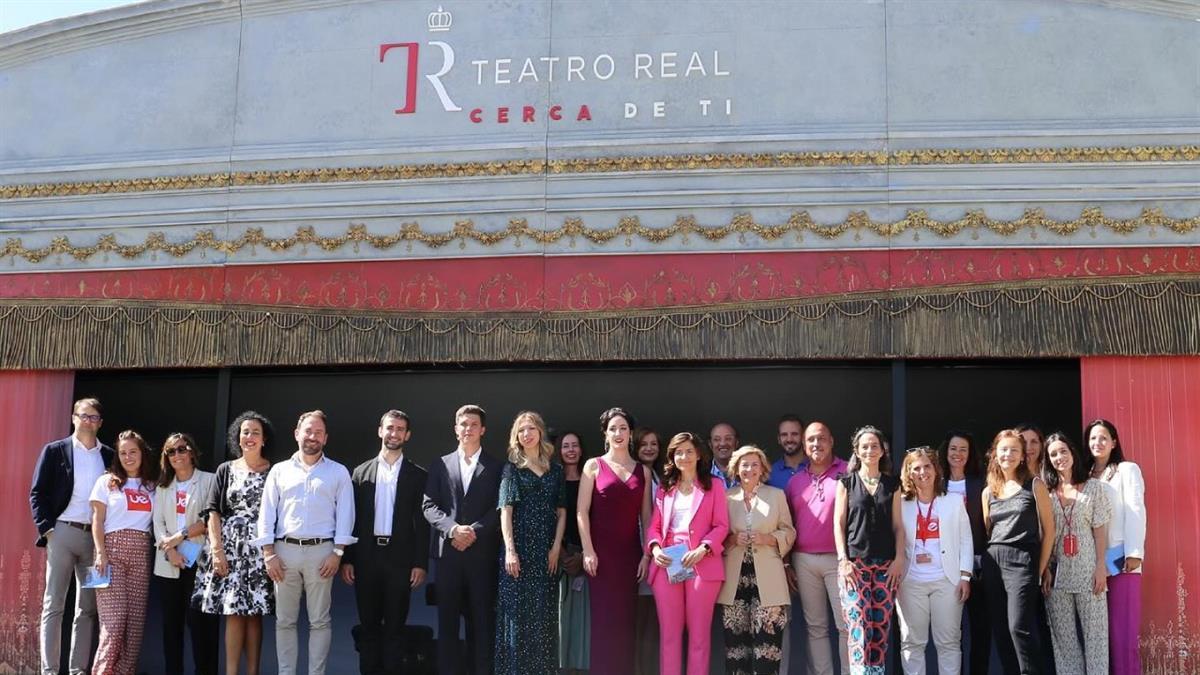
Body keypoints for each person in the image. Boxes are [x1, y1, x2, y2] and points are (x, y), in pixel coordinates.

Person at [254, 410, 356, 675]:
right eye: (308, 431)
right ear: (297, 433)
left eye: (318, 432)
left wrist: (337, 553)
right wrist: (268, 554)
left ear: (326, 438)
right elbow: (266, 513)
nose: (313, 436)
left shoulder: (338, 472)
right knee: (285, 621)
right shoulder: (279, 471)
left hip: (323, 552)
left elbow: (346, 514)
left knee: (320, 621)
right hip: (283, 552)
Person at [29, 397, 114, 675]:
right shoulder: (55, 451)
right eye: (84, 415)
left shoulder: (109, 456)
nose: (88, 421)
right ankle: (49, 670)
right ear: (73, 417)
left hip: (95, 540)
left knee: (88, 608)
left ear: (100, 423)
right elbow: (38, 492)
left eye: (94, 417)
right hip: (63, 533)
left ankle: (78, 670)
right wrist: (48, 529)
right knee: (54, 603)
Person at [342, 410, 430, 675]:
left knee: (395, 628)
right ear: (380, 430)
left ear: (408, 435)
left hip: (400, 560)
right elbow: (351, 519)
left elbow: (422, 524)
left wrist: (420, 563)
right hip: (366, 558)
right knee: (368, 628)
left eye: (400, 429)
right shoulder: (360, 473)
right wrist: (348, 558)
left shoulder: (418, 475)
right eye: (390, 428)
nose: (394, 433)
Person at [422, 404, 504, 675]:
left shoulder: (496, 466)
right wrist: (453, 530)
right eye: (463, 424)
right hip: (449, 556)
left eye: (473, 424)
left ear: (483, 430)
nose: (468, 429)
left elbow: (500, 507)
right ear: (456, 429)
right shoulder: (440, 464)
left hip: (482, 557)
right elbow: (429, 505)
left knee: (481, 622)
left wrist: (474, 532)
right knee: (447, 623)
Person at [193, 410, 275, 675]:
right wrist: (217, 551)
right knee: (233, 611)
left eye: (255, 433)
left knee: (255, 614)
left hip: (260, 549)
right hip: (229, 549)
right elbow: (212, 511)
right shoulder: (225, 470)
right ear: (237, 438)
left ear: (264, 440)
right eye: (245, 432)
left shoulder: (275, 471)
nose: (250, 437)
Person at [646, 432, 729, 675]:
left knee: (699, 635)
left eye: (689, 451)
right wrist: (655, 547)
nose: (684, 456)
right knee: (669, 635)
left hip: (701, 562)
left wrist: (704, 548)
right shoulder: (665, 487)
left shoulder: (714, 485)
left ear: (699, 454)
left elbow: (722, 525)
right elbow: (654, 525)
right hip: (668, 561)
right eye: (678, 452)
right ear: (673, 456)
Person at [578, 407, 652, 675]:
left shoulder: (642, 471)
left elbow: (647, 517)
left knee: (625, 625)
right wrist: (588, 550)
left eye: (623, 428)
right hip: (600, 559)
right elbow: (581, 511)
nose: (618, 433)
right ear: (605, 434)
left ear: (631, 433)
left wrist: (646, 554)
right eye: (613, 429)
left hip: (631, 558)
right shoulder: (593, 466)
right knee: (604, 624)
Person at [495, 411, 567, 675]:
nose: (527, 434)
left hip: (546, 552)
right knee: (518, 616)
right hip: (519, 552)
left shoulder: (555, 470)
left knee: (544, 616)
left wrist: (557, 547)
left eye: (531, 429)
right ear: (517, 436)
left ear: (540, 433)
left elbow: (562, 511)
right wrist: (510, 551)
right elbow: (506, 511)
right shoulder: (511, 469)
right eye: (521, 430)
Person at [981, 429, 1055, 675]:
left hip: (1023, 559)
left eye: (1014, 450)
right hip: (994, 560)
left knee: (1019, 627)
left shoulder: (1035, 485)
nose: (1008, 454)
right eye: (1003, 449)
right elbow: (989, 529)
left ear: (1023, 455)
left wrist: (1040, 569)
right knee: (1001, 629)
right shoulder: (988, 491)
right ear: (995, 454)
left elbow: (1049, 531)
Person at [833, 425, 904, 675]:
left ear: (883, 450)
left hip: (886, 565)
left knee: (879, 626)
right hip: (854, 564)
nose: (870, 450)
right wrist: (843, 560)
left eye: (875, 445)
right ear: (857, 451)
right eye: (865, 446)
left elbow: (898, 525)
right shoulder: (845, 483)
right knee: (858, 624)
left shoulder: (893, 485)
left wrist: (899, 558)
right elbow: (839, 524)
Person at [895, 446, 973, 675]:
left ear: (936, 469)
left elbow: (965, 540)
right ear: (908, 473)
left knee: (948, 643)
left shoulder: (954, 501)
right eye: (916, 468)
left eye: (927, 466)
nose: (922, 472)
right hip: (910, 582)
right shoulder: (900, 503)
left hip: (947, 581)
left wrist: (965, 576)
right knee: (912, 642)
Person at [89, 429, 161, 675]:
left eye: (133, 452)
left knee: (135, 629)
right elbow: (97, 521)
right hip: (110, 553)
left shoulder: (153, 485)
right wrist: (100, 554)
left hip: (141, 554)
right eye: (123, 453)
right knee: (114, 623)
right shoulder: (105, 481)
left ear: (142, 453)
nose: (128, 457)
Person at [718, 445, 795, 675]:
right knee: (736, 648)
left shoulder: (776, 495)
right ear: (736, 469)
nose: (749, 469)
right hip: (735, 581)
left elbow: (789, 532)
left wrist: (768, 538)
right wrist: (732, 539)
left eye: (754, 464)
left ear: (762, 468)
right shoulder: (725, 497)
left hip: (768, 580)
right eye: (744, 464)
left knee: (767, 647)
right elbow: (716, 534)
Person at [1043, 432, 1111, 675]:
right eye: (1053, 454)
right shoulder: (1047, 493)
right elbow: (1046, 536)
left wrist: (1100, 566)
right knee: (1064, 643)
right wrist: (1047, 569)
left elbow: (1100, 530)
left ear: (1072, 452)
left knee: (1096, 640)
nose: (1059, 457)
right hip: (1059, 577)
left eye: (1063, 451)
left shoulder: (1094, 488)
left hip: (1088, 573)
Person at [785, 421, 850, 675]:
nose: (816, 444)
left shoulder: (848, 472)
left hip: (840, 560)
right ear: (804, 445)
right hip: (804, 560)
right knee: (816, 628)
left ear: (831, 441)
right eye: (811, 440)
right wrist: (787, 562)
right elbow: (788, 524)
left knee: (846, 625)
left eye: (821, 438)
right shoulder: (795, 481)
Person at [152, 433, 218, 675]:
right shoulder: (162, 488)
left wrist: (178, 537)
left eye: (181, 449)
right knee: (172, 628)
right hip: (169, 564)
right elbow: (157, 523)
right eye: (171, 451)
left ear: (191, 452)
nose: (176, 455)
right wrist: (170, 550)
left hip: (200, 562)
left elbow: (209, 519)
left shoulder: (210, 481)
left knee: (201, 627)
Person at [1085, 418, 1145, 675]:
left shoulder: (1126, 469)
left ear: (1114, 442)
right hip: (1093, 564)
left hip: (1122, 561)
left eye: (1102, 438)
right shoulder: (1083, 476)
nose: (1097, 443)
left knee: (1123, 636)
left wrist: (1134, 554)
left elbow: (1136, 511)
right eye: (1092, 438)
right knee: (1100, 638)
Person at [936, 430, 989, 675]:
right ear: (945, 452)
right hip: (944, 567)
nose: (957, 454)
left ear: (970, 455)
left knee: (980, 630)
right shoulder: (936, 485)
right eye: (953, 449)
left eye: (963, 449)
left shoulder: (981, 484)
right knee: (951, 633)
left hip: (977, 566)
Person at [556, 431, 590, 674]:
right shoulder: (552, 481)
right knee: (560, 617)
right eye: (566, 446)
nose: (570, 450)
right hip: (559, 557)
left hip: (585, 558)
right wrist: (562, 553)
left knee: (582, 621)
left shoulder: (592, 480)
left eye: (575, 446)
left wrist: (582, 555)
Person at [634, 426, 666, 675]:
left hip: (658, 557)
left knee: (654, 625)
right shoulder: (633, 474)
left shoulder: (659, 478)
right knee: (638, 622)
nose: (649, 448)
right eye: (644, 443)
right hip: (636, 555)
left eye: (653, 443)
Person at [767, 415, 805, 490]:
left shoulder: (815, 467)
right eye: (784, 435)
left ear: (803, 437)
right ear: (779, 439)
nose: (789, 439)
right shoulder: (770, 473)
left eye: (794, 434)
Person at [709, 423, 739, 489]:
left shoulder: (749, 471)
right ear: (710, 445)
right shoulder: (700, 473)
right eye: (717, 439)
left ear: (736, 443)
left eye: (728, 439)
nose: (723, 443)